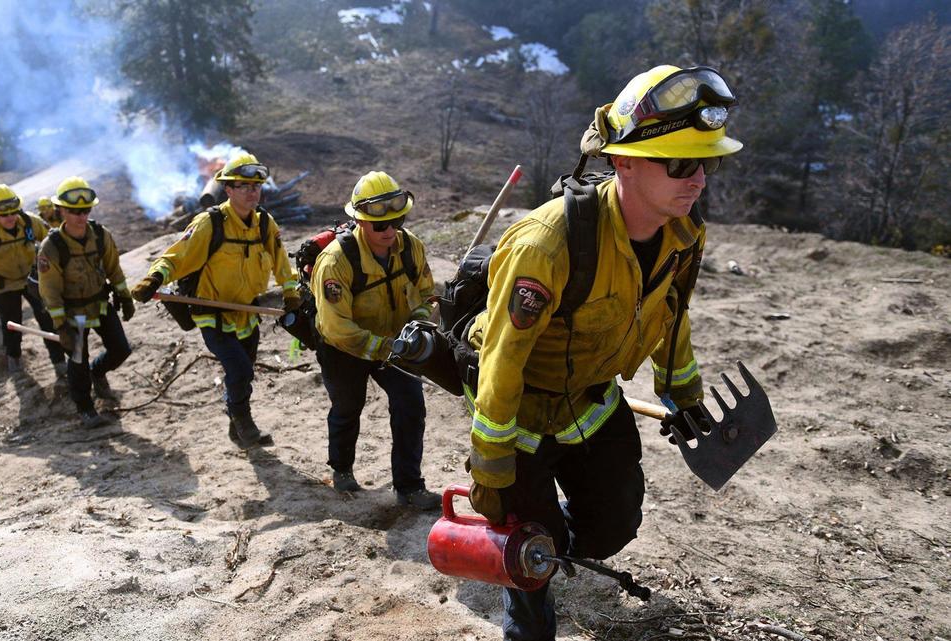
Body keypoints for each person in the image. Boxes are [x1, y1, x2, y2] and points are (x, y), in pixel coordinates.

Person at [463, 64, 742, 640]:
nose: (698, 180)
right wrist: (492, 468)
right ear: (624, 161)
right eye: (680, 162)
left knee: (613, 526)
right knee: (527, 549)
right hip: (520, 412)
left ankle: (551, 544)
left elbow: (671, 313)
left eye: (707, 161)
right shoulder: (547, 244)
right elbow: (501, 362)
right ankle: (530, 599)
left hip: (591, 401)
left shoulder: (684, 231)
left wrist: (683, 395)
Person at [130, 152, 300, 449]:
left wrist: (291, 291)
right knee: (240, 371)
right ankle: (245, 424)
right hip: (213, 314)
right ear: (228, 189)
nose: (252, 192)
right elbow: (177, 256)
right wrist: (154, 279)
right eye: (244, 186)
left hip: (246, 313)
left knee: (243, 376)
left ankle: (236, 428)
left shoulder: (264, 224)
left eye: (256, 186)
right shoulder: (210, 223)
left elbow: (281, 262)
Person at [310, 171, 441, 510]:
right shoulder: (336, 262)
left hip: (395, 342)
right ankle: (341, 469)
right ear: (360, 222)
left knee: (410, 405)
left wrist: (419, 326)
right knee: (347, 407)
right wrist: (384, 347)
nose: (390, 232)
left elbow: (428, 295)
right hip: (343, 349)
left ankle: (410, 488)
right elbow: (337, 328)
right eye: (380, 226)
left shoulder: (411, 247)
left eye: (397, 221)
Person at [38, 177, 134, 428]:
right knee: (78, 359)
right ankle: (85, 409)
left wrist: (125, 296)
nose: (81, 216)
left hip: (100, 304)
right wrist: (60, 325)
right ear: (61, 210)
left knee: (121, 349)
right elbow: (50, 289)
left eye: (85, 210)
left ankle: (98, 371)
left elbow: (114, 268)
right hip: (74, 314)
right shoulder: (52, 247)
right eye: (74, 211)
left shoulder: (102, 236)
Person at [0, 183, 67, 375]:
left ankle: (59, 362)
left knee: (47, 319)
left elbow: (53, 242)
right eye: (4, 215)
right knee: (11, 324)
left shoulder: (31, 222)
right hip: (3, 285)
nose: (9, 218)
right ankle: (14, 359)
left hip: (31, 280)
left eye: (13, 213)